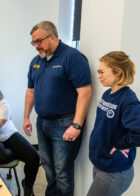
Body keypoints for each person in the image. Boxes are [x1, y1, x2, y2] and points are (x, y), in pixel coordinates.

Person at [23, 21, 92, 196]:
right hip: (42, 122)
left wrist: (76, 125)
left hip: (65, 124)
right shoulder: (36, 61)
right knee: (48, 168)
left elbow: (85, 92)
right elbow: (30, 91)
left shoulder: (73, 58)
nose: (36, 46)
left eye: (39, 41)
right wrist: (26, 117)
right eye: (34, 43)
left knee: (63, 173)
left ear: (52, 36)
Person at [87, 51, 140, 196]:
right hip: (100, 163)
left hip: (114, 171)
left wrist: (121, 144)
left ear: (118, 72)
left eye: (102, 72)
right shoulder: (108, 94)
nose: (98, 76)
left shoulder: (128, 100)